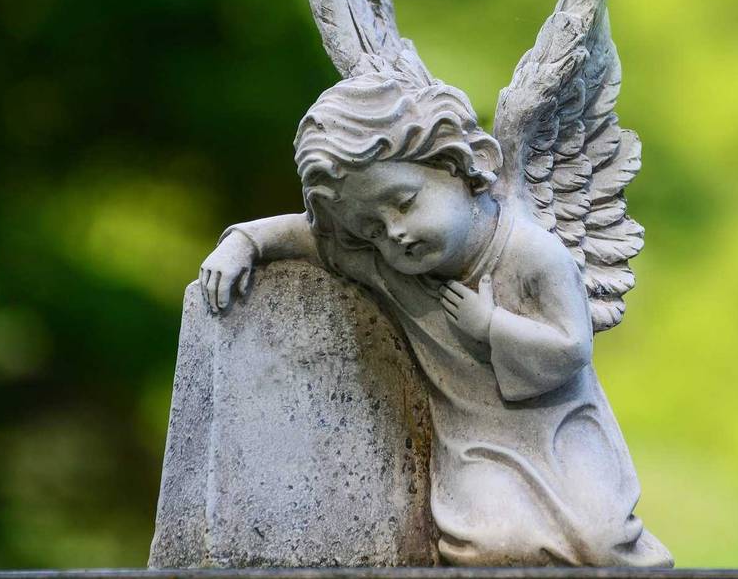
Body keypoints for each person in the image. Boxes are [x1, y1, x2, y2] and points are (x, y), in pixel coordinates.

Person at [198, 71, 672, 568]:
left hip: (562, 431)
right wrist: (243, 242)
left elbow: (572, 349)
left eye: (403, 203)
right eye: (372, 229)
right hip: (477, 449)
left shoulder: (534, 254)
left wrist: (490, 327)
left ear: (460, 168)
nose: (395, 234)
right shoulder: (394, 270)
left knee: (604, 544)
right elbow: (309, 237)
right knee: (490, 544)